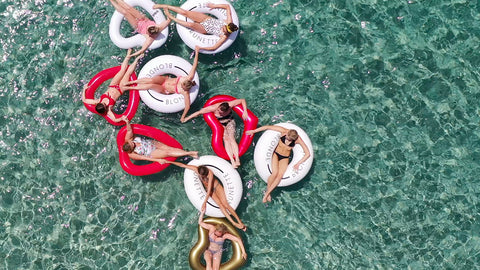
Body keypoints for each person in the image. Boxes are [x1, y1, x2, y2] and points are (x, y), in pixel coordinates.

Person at [121, 47, 201, 122]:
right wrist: (197, 52)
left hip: (164, 89)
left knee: (150, 85)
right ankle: (130, 83)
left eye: (183, 88)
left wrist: (183, 117)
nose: (181, 87)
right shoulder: (188, 77)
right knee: (151, 80)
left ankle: (129, 88)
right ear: (184, 82)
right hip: (164, 79)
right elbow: (195, 65)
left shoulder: (185, 93)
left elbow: (187, 106)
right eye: (182, 85)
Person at [164, 160, 247, 231]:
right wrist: (169, 161)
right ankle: (233, 223)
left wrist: (204, 202)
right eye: (202, 175)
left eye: (204, 175)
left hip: (216, 187)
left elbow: (210, 186)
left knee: (226, 204)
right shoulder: (196, 169)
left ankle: (240, 222)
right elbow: (182, 165)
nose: (203, 177)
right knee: (221, 205)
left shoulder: (210, 173)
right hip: (209, 191)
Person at [246, 126, 311, 203]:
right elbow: (268, 127)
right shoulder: (284, 131)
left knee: (279, 176)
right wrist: (254, 131)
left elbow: (308, 153)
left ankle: (267, 194)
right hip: (276, 154)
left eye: (289, 139)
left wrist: (298, 163)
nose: (287, 139)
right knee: (275, 173)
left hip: (285, 157)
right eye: (287, 137)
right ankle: (268, 192)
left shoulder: (298, 140)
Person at [182, 99, 248, 168]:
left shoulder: (230, 104)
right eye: (219, 111)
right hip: (221, 124)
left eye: (221, 113)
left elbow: (242, 100)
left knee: (232, 138)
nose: (219, 113)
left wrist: (245, 111)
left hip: (230, 122)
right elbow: (199, 112)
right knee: (226, 140)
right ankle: (232, 160)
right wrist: (187, 118)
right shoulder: (214, 108)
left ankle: (237, 159)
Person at [82, 49, 143, 123]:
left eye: (103, 103)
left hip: (113, 85)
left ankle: (128, 55)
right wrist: (121, 119)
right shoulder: (108, 110)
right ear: (105, 108)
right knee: (128, 73)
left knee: (122, 70)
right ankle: (137, 58)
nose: (104, 103)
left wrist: (84, 89)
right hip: (120, 89)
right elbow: (114, 120)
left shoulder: (97, 101)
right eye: (105, 105)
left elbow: (84, 100)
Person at [154, 3, 238, 51]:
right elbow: (227, 6)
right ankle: (163, 6)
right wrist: (213, 6)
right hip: (206, 19)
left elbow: (214, 48)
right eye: (224, 28)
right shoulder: (229, 22)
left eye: (226, 31)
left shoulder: (224, 37)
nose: (224, 30)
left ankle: (171, 17)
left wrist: (201, 48)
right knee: (184, 12)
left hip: (204, 29)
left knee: (191, 25)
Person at [121, 117, 199, 163]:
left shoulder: (128, 139)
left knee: (170, 149)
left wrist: (127, 122)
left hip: (152, 143)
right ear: (131, 150)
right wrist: (157, 160)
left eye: (132, 143)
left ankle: (190, 154)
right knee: (168, 152)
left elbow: (129, 130)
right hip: (152, 153)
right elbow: (143, 158)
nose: (133, 143)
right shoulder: (132, 155)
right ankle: (190, 153)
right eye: (133, 145)